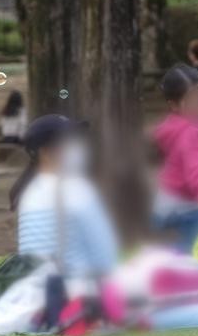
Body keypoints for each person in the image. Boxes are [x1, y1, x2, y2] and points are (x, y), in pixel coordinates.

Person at [9, 114, 118, 278]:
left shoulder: (28, 193)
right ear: (45, 152)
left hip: (38, 293)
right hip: (77, 294)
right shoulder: (77, 190)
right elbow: (106, 258)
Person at [152, 64, 198, 287]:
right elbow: (196, 172)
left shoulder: (190, 121)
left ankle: (166, 257)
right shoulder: (191, 131)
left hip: (170, 200)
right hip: (185, 205)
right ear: (174, 105)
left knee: (189, 247)